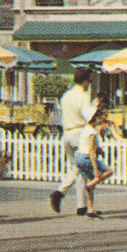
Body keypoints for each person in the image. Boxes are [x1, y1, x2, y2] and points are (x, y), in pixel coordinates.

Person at [49, 67, 95, 216]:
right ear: (85, 81)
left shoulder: (66, 95)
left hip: (66, 132)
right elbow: (88, 115)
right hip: (78, 132)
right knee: (81, 167)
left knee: (76, 168)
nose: (89, 84)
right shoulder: (83, 95)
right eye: (88, 81)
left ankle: (81, 206)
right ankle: (59, 192)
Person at [74, 106, 114, 218]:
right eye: (97, 117)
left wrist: (99, 149)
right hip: (86, 157)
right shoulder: (91, 132)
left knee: (91, 181)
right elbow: (91, 151)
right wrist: (96, 169)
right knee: (109, 171)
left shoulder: (86, 129)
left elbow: (87, 145)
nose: (99, 119)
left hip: (79, 157)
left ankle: (90, 210)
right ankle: (89, 185)